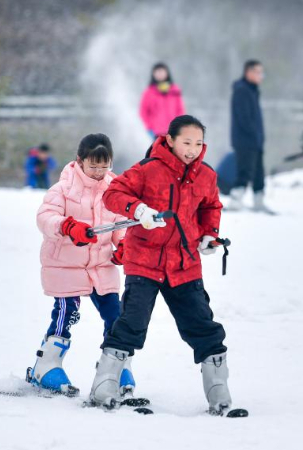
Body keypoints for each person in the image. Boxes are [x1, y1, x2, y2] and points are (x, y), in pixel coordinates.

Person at [88, 115, 236, 416]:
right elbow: (112, 195)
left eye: (198, 143)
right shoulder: (148, 169)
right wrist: (139, 210)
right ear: (170, 140)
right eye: (186, 142)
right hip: (145, 261)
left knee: (202, 324)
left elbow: (211, 206)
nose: (192, 149)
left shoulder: (206, 175)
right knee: (132, 322)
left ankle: (218, 388)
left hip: (185, 264)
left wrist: (209, 235)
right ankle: (104, 383)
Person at [29, 134, 132, 396]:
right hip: (66, 265)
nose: (98, 172)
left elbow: (120, 224)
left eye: (104, 166)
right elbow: (45, 218)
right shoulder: (63, 189)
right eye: (93, 166)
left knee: (116, 316)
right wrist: (68, 226)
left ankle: (114, 367)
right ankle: (46, 365)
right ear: (80, 160)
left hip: (101, 266)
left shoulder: (115, 191)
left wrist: (124, 245)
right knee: (67, 312)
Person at [228, 59, 273, 214]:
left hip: (256, 140)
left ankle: (258, 201)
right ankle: (235, 201)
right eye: (258, 72)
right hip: (244, 140)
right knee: (244, 171)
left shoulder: (253, 90)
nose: (261, 76)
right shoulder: (242, 90)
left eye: (262, 72)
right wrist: (254, 133)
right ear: (248, 72)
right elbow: (243, 118)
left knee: (259, 172)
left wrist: (259, 136)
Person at [139, 62, 185, 139]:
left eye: (162, 71)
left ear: (167, 73)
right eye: (157, 72)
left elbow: (180, 110)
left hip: (173, 132)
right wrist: (150, 128)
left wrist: (179, 126)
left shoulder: (175, 90)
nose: (160, 74)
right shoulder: (148, 92)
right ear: (153, 74)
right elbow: (143, 112)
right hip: (157, 134)